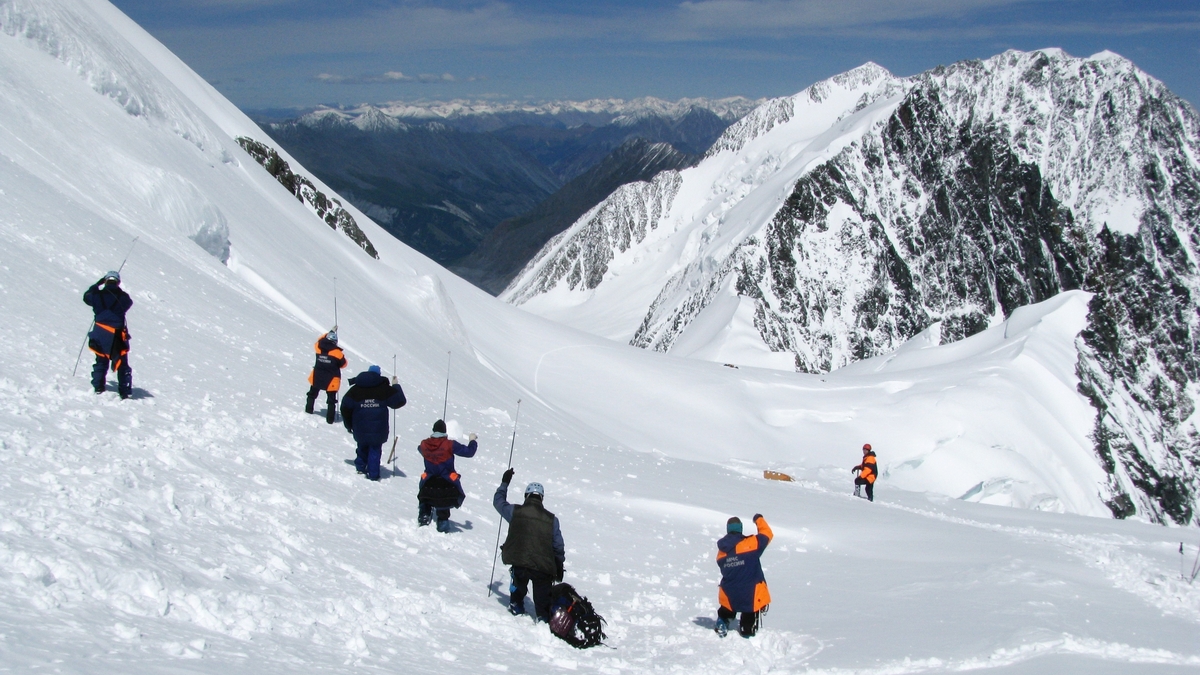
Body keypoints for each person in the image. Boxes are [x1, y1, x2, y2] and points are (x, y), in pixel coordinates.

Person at [494, 469, 565, 622]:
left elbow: (498, 502)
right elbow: (558, 546)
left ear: (526, 496)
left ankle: (516, 604)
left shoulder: (515, 511)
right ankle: (542, 617)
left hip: (519, 561)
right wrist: (559, 564)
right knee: (542, 598)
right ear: (542, 498)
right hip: (543, 568)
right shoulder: (552, 519)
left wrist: (505, 482)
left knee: (518, 580)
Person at [340, 365, 406, 481]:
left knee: (362, 445)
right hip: (378, 428)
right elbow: (399, 402)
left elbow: (345, 407)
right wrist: (396, 385)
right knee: (375, 449)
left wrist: (348, 424)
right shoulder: (383, 388)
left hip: (359, 426)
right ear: (378, 375)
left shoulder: (355, 389)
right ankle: (374, 474)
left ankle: (360, 467)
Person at [715, 514, 772, 638]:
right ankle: (747, 630)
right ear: (740, 528)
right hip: (750, 594)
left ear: (728, 529)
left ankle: (723, 619)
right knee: (749, 621)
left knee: (729, 601)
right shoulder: (751, 544)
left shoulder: (721, 552)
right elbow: (767, 534)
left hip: (729, 594)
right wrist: (758, 519)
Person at [417, 420, 478, 532]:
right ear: (445, 432)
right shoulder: (450, 444)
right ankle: (443, 524)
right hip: (446, 482)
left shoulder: (424, 444)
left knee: (424, 493)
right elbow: (469, 452)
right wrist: (472, 441)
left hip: (428, 482)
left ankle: (424, 515)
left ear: (433, 431)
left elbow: (420, 449)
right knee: (444, 498)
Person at [83, 271, 133, 398]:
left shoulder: (97, 295)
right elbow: (128, 302)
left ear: (105, 281)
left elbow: (86, 297)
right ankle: (124, 391)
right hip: (118, 335)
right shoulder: (123, 297)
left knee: (101, 360)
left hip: (101, 333)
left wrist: (96, 285)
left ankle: (99, 387)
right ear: (118, 282)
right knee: (122, 363)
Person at [306, 329, 346, 424]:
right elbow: (344, 364)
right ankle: (330, 419)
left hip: (317, 376)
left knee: (312, 394)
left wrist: (329, 333)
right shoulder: (337, 353)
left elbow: (319, 339)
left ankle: (308, 410)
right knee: (331, 400)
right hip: (331, 379)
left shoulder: (318, 347)